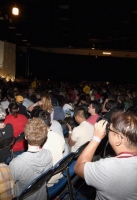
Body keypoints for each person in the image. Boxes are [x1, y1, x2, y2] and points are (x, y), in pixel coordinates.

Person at [74, 111, 137, 200]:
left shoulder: (108, 168)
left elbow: (78, 167)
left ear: (118, 139)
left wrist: (96, 138)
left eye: (110, 129)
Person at [9, 118, 52, 200]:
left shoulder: (15, 164)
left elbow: (10, 188)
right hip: (43, 196)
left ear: (25, 136)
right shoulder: (48, 154)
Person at [39, 110, 65, 187]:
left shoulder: (39, 141)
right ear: (50, 121)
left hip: (45, 181)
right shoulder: (59, 137)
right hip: (58, 174)